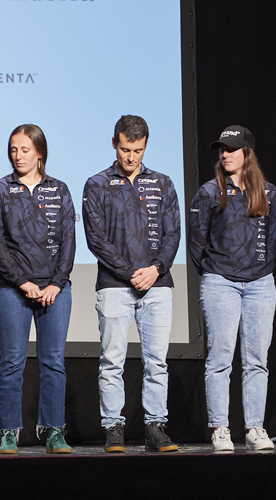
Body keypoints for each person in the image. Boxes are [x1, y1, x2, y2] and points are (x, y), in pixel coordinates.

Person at [83, 115, 181, 453]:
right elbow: (96, 239)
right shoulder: (96, 184)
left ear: (146, 146)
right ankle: (113, 427)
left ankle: (156, 427)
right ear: (115, 144)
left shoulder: (164, 183)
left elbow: (173, 233)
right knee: (112, 361)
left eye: (137, 150)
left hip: (158, 285)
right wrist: (130, 273)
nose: (131, 157)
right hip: (114, 285)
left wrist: (155, 269)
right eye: (126, 149)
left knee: (157, 362)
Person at [0, 124, 76, 455]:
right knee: (11, 362)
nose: (18, 156)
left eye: (24, 150)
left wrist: (56, 283)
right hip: (12, 290)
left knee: (53, 362)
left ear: (39, 152)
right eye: (13, 150)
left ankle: (53, 431)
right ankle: (8, 432)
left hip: (55, 291)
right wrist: (22, 282)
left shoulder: (59, 190)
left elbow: (68, 240)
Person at [189, 126, 276, 452]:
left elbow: (273, 239)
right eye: (222, 149)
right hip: (220, 283)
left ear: (247, 153)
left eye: (231, 148)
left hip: (260, 284)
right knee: (220, 359)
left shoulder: (270, 193)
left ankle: (255, 427)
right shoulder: (209, 192)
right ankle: (220, 428)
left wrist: (259, 271)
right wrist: (215, 271)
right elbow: (197, 241)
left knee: (257, 360)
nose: (225, 154)